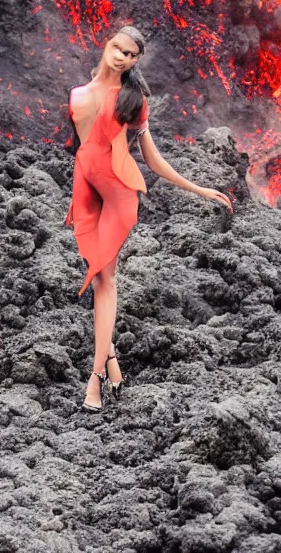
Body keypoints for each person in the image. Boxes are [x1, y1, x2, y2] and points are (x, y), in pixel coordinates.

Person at [66, 26, 233, 413]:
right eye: (117, 49)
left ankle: (95, 382)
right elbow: (80, 151)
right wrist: (74, 200)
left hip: (121, 194)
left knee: (104, 279)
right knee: (98, 279)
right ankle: (113, 365)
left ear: (137, 60)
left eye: (131, 54)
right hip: (86, 194)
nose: (122, 57)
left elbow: (153, 160)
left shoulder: (133, 99)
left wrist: (200, 189)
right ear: (105, 45)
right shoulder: (75, 94)